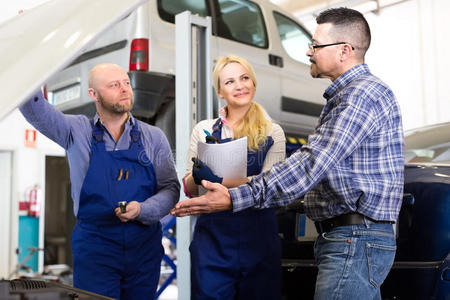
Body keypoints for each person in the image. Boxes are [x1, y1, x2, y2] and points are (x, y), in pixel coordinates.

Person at [172, 8, 404, 300]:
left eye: (316, 45)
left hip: (353, 238)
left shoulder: (359, 96)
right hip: (346, 238)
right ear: (219, 90)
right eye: (229, 81)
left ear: (344, 50)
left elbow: (310, 165)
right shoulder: (348, 97)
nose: (309, 52)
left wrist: (232, 195)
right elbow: (320, 175)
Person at [20, 63, 180, 299]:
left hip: (143, 248)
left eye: (126, 83)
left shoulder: (153, 137)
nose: (124, 89)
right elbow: (35, 109)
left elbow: (171, 189)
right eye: (114, 85)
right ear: (93, 94)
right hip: (96, 248)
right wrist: (32, 62)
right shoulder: (75, 130)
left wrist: (142, 209)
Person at [183, 55, 286, 300]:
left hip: (259, 240)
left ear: (254, 82)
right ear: (220, 91)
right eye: (229, 82)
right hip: (213, 242)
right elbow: (190, 189)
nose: (239, 86)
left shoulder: (273, 131)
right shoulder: (204, 130)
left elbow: (272, 186)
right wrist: (197, 177)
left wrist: (219, 181)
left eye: (244, 78)